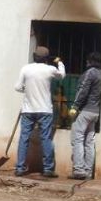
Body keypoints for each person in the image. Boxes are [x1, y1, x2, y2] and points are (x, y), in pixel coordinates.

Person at [14, 46, 65, 178]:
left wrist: (27, 90)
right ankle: (48, 169)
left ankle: (20, 168)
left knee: (24, 138)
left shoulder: (26, 68)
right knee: (46, 138)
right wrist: (60, 62)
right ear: (46, 59)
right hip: (45, 110)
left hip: (28, 110)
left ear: (34, 56)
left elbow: (17, 87)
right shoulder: (50, 69)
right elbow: (62, 75)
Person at [68, 52, 101, 180]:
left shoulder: (91, 73)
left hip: (85, 110)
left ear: (90, 61)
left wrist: (75, 106)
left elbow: (83, 90)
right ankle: (88, 171)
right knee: (89, 142)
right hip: (95, 112)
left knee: (77, 139)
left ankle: (78, 170)